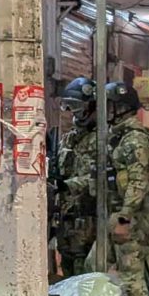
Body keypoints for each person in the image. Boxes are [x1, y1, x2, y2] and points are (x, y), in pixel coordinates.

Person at [106, 81, 149, 296]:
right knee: (93, 266)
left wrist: (124, 218)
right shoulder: (119, 136)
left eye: (110, 106)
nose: (106, 110)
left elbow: (139, 181)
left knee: (132, 280)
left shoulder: (134, 139)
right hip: (118, 214)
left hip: (131, 219)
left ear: (121, 108)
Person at [53, 77, 100, 277]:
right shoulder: (68, 139)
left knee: (86, 280)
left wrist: (69, 185)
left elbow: (103, 179)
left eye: (78, 106)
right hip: (66, 224)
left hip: (90, 223)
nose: (73, 112)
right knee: (68, 276)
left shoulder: (103, 139)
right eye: (70, 106)